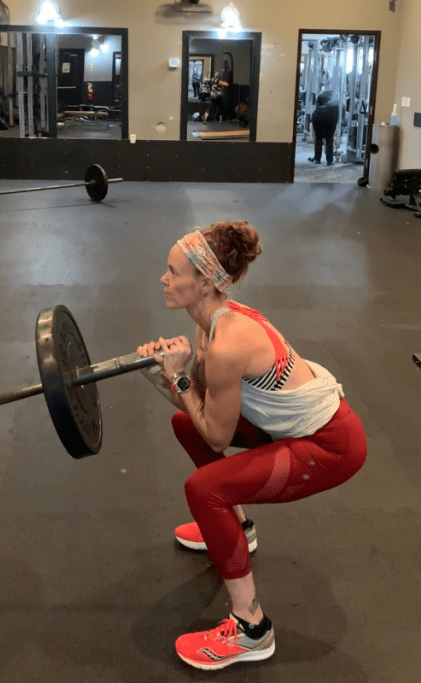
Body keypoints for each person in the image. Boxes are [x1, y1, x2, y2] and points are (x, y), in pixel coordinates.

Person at [136, 221, 367, 671]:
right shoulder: (211, 323)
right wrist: (166, 375)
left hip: (331, 445)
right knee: (184, 423)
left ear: (204, 282)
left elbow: (218, 435)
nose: (163, 279)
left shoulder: (228, 343)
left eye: (172, 271)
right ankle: (239, 530)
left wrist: (180, 376)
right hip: (294, 430)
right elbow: (198, 408)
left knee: (204, 489)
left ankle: (251, 629)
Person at [309, 90, 340, 166]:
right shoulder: (336, 101)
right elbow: (337, 117)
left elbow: (317, 108)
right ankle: (329, 161)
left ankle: (317, 159)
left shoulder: (320, 97)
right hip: (330, 117)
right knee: (329, 139)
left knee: (318, 139)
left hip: (317, 116)